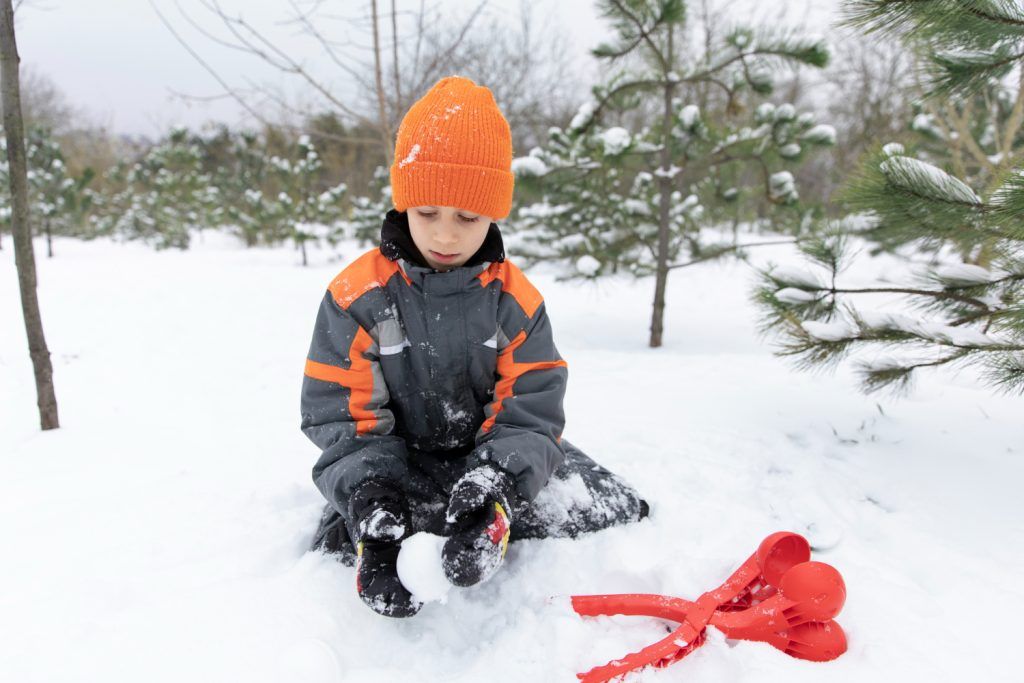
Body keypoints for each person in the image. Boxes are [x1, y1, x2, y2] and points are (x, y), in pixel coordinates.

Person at [301, 76, 647, 618]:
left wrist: (498, 485)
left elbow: (531, 411)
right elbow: (341, 416)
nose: (445, 236)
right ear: (403, 204)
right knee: (363, 531)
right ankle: (380, 517)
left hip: (489, 456)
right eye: (427, 213)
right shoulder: (357, 298)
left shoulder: (515, 301)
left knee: (594, 505)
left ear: (493, 214)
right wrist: (373, 497)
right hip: (399, 463)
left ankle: (492, 509)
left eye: (467, 217)